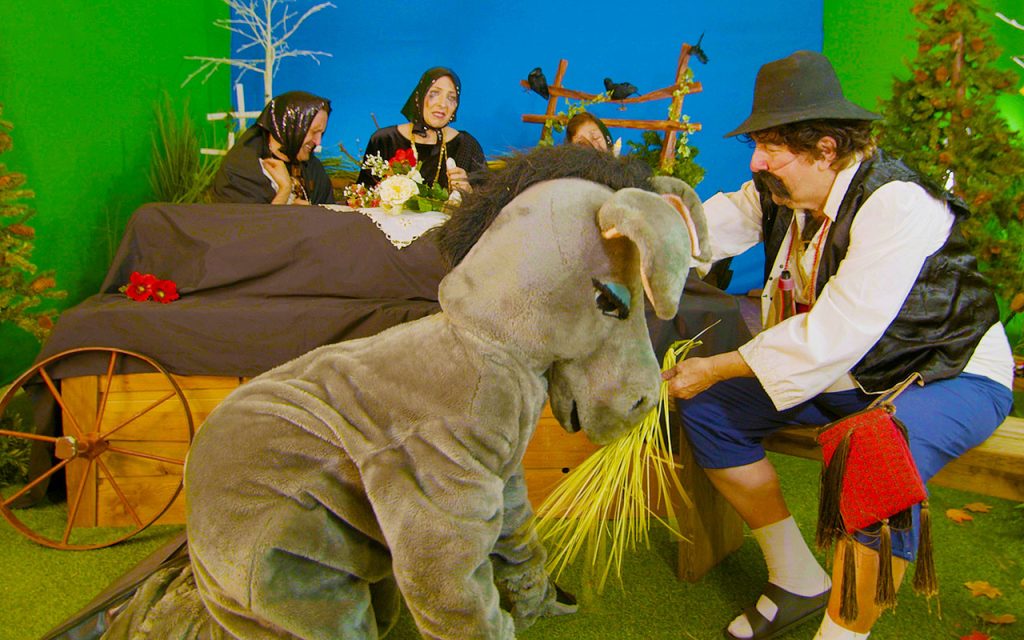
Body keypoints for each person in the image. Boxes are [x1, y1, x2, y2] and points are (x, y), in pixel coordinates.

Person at [662, 50, 1014, 640]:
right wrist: (637, 226)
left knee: (871, 450)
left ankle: (843, 633)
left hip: (946, 374)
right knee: (708, 411)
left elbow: (839, 331)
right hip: (843, 374)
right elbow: (704, 226)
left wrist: (718, 366)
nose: (757, 160)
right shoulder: (781, 195)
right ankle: (797, 576)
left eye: (771, 146)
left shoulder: (895, 201)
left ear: (825, 148)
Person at [356, 67, 486, 193]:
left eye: (451, 98)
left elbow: (489, 204)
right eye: (434, 94)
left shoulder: (466, 145)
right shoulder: (384, 140)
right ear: (418, 98)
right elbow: (361, 197)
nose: (442, 104)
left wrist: (469, 191)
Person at [210, 91, 335, 205]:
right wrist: (284, 190)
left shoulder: (312, 169)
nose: (318, 142)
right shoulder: (242, 170)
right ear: (290, 127)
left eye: (321, 133)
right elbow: (248, 227)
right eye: (313, 132)